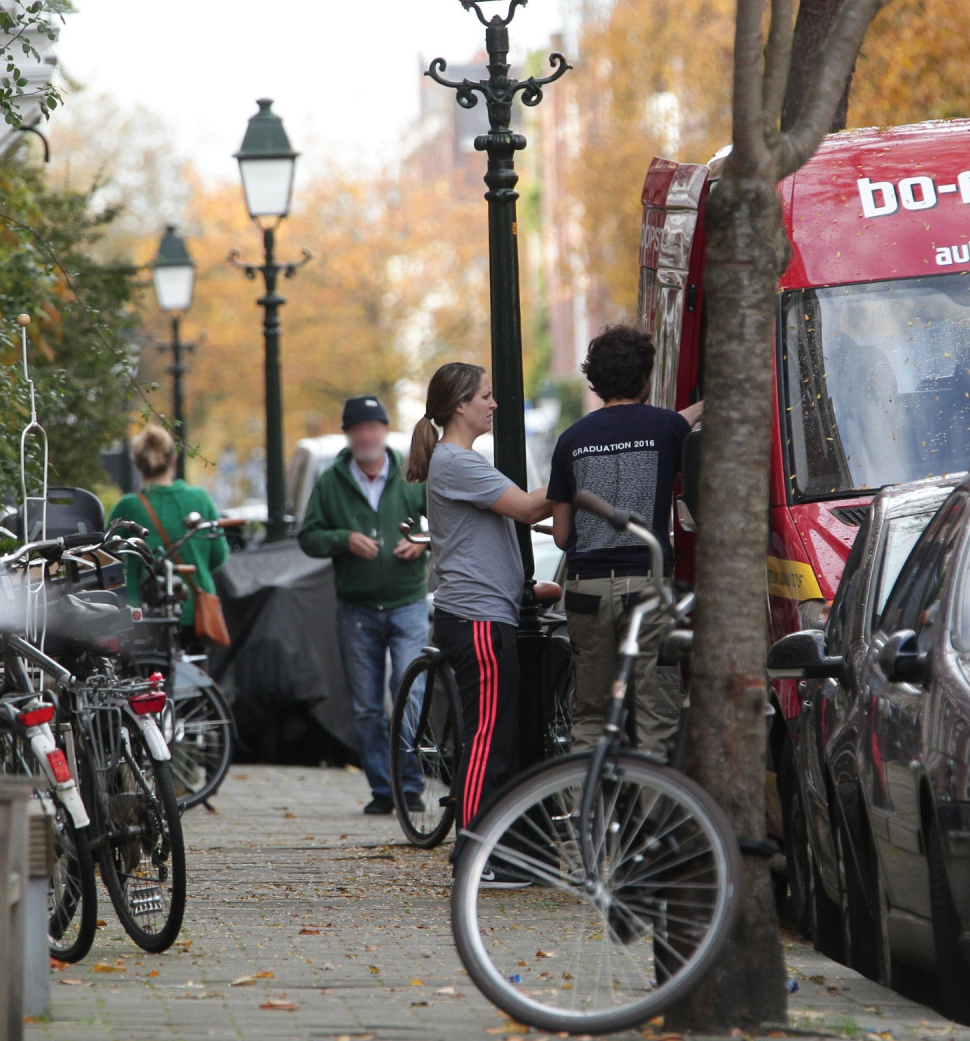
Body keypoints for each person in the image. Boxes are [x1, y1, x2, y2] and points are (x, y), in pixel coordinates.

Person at [407, 362, 552, 881]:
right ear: (460, 405)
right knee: (487, 740)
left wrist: (525, 587)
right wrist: (581, 458)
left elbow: (481, 538)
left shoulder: (458, 462)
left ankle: (491, 852)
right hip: (478, 621)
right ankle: (475, 855)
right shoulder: (457, 462)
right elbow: (531, 509)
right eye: (486, 397)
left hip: (483, 612)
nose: (494, 405)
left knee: (494, 736)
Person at [548, 326, 702, 754]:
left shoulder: (571, 440)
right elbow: (672, 431)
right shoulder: (666, 428)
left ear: (594, 380)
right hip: (646, 591)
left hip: (585, 593)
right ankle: (651, 819)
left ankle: (585, 813)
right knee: (656, 717)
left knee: (590, 716)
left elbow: (562, 536)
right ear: (646, 376)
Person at [296, 395, 430, 816]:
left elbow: (443, 522)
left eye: (374, 427)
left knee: (408, 693)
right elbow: (308, 536)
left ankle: (410, 786)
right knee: (367, 704)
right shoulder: (332, 481)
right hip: (356, 610)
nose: (367, 435)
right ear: (348, 435)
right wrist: (343, 539)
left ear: (385, 431)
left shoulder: (412, 474)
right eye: (359, 429)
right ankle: (383, 789)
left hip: (407, 602)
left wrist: (420, 542)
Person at [107, 426, 229, 624]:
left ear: (138, 464)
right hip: (197, 612)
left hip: (143, 614)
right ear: (173, 459)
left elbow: (108, 556)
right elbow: (218, 555)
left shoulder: (127, 506)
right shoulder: (201, 499)